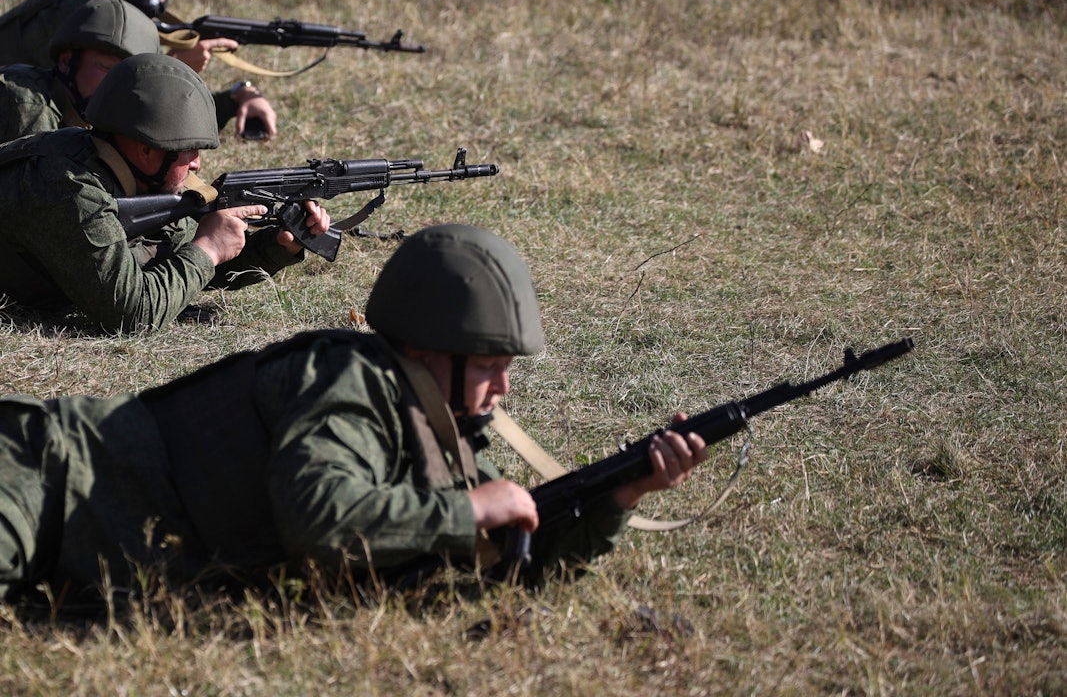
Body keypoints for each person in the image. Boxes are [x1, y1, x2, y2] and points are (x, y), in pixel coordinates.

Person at [0, 224, 709, 606]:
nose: (502, 389)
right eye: (492, 363)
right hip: (40, 474)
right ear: (434, 351)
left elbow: (504, 569)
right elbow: (322, 520)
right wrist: (469, 511)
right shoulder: (344, 382)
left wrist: (619, 497)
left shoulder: (427, 430)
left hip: (82, 552)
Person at [0, 52, 329, 333]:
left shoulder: (129, 176)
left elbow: (179, 262)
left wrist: (277, 246)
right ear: (146, 150)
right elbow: (131, 313)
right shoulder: (69, 186)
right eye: (189, 151)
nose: (198, 165)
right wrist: (209, 249)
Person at [0, 0, 277, 139]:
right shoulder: (82, 16)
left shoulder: (120, 14)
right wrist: (173, 68)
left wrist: (240, 95)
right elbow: (137, 115)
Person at [0, 0, 274, 143]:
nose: (117, 83)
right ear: (65, 61)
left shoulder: (93, 105)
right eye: (106, 68)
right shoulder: (27, 104)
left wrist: (239, 95)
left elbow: (166, 124)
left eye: (129, 73)